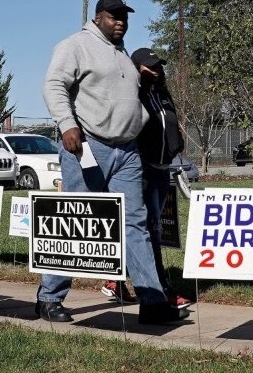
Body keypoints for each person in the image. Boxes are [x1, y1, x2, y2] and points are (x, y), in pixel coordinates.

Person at [36, 0, 188, 325]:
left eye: (124, 17)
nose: (120, 22)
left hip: (127, 151)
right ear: (98, 17)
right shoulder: (75, 45)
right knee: (74, 223)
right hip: (87, 147)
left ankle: (152, 301)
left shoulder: (122, 55)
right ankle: (49, 297)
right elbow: (54, 85)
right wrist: (67, 124)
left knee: (135, 224)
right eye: (114, 16)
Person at [101, 47, 192, 309]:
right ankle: (159, 290)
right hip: (141, 170)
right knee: (147, 228)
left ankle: (116, 280)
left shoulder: (161, 93)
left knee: (147, 228)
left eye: (159, 66)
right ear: (136, 68)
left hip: (162, 169)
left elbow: (169, 123)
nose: (156, 70)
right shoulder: (133, 94)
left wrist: (176, 143)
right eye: (150, 66)